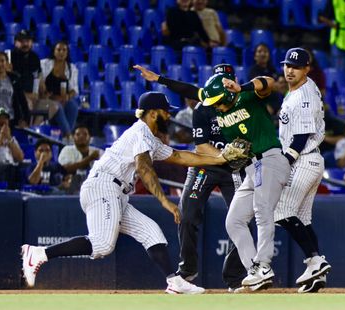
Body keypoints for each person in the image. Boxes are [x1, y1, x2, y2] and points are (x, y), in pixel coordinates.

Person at [21, 91, 244, 294]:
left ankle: (174, 282)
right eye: (166, 112)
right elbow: (143, 168)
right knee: (102, 245)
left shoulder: (150, 138)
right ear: (154, 113)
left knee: (152, 232)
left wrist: (220, 158)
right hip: (104, 186)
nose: (169, 116)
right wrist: (165, 202)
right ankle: (39, 254)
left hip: (115, 191)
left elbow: (180, 156)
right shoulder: (141, 133)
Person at [134, 63, 247, 290]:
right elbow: (202, 147)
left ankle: (234, 277)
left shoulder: (244, 104)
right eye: (219, 83)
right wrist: (159, 79)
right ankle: (187, 272)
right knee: (187, 215)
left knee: (243, 220)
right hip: (205, 165)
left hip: (234, 169)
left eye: (227, 83)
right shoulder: (204, 106)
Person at [202, 71, 291, 292]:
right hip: (252, 167)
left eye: (217, 101)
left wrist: (242, 87)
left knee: (262, 211)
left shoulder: (246, 96)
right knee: (233, 221)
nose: (215, 106)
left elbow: (269, 82)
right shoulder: (222, 118)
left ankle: (263, 265)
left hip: (270, 158)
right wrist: (232, 154)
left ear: (226, 94)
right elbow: (241, 143)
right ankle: (255, 272)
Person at [273, 48, 332, 294]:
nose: (289, 70)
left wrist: (285, 162)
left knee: (281, 211)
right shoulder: (301, 87)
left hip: (304, 159)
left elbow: (300, 137)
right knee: (303, 219)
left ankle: (315, 261)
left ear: (307, 69)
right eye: (287, 65)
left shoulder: (304, 95)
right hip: (311, 160)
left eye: (296, 67)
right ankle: (315, 274)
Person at [37, 41, 79, 140]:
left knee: (73, 106)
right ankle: (69, 136)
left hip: (63, 97)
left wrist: (67, 97)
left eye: (64, 50)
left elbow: (74, 89)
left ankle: (65, 136)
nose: (61, 52)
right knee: (57, 106)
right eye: (59, 50)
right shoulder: (44, 64)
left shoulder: (71, 68)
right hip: (47, 97)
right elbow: (38, 80)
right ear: (54, 51)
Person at [57, 125, 102, 192]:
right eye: (78, 134)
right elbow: (67, 169)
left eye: (85, 134)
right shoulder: (67, 150)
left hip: (94, 187)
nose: (81, 136)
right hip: (71, 186)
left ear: (90, 138)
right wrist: (90, 158)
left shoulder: (98, 152)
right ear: (73, 137)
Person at [10, 30, 41, 112]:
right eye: (21, 41)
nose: (25, 44)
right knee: (27, 104)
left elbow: (37, 77)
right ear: (15, 43)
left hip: (32, 95)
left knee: (53, 105)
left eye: (27, 41)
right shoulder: (10, 57)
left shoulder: (34, 57)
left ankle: (35, 125)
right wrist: (26, 95)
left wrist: (36, 93)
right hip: (14, 95)